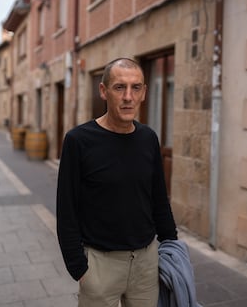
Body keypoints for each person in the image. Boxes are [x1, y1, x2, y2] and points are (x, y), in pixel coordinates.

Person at [56, 57, 178, 307]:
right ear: (104, 91)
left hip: (146, 263)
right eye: (119, 87)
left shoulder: (148, 138)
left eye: (136, 88)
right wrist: (78, 268)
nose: (128, 97)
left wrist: (172, 246)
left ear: (144, 92)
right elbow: (66, 209)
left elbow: (158, 198)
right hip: (99, 266)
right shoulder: (78, 141)